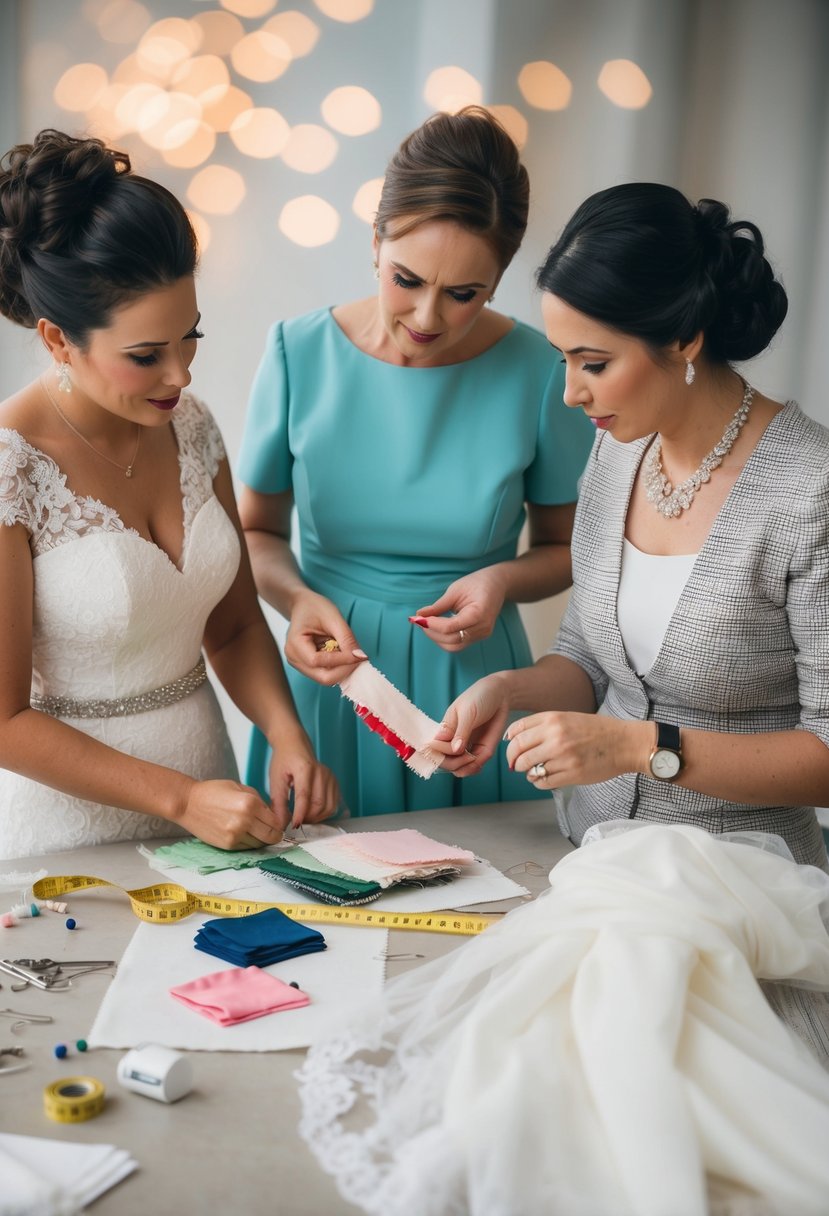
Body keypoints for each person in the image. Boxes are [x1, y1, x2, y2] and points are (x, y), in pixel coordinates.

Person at [435, 182, 829, 869]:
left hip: (743, 882)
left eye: (593, 364)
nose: (569, 392)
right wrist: (509, 689)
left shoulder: (809, 490)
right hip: (585, 851)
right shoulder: (617, 451)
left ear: (683, 342)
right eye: (562, 359)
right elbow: (588, 656)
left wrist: (635, 747)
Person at [237, 106, 594, 817]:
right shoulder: (294, 353)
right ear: (375, 243)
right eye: (406, 279)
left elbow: (569, 549)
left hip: (471, 694)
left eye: (463, 294)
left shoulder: (537, 370)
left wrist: (499, 580)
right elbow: (255, 535)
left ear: (498, 280)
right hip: (329, 679)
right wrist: (299, 602)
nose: (427, 317)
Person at [0, 129, 339, 861]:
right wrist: (178, 799)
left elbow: (237, 626)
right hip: (68, 831)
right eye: (145, 356)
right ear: (60, 341)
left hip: (212, 793)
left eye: (190, 338)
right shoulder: (9, 466)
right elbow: (3, 721)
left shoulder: (191, 426)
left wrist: (285, 734)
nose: (180, 376)